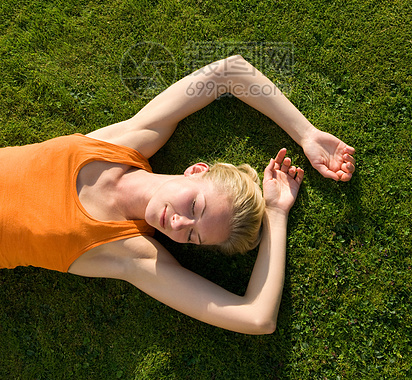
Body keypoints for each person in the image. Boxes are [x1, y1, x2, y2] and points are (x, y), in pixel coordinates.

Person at [0, 55, 355, 334]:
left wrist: (277, 214)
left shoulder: (134, 255)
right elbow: (230, 72)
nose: (178, 222)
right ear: (196, 171)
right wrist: (306, 133)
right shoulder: (123, 143)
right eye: (195, 205)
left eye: (191, 235)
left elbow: (258, 318)